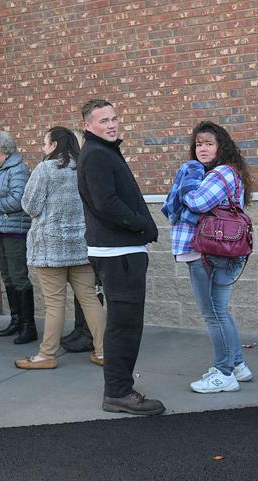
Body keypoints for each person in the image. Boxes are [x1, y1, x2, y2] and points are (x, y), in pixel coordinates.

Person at [77, 98, 165, 416]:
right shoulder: (97, 156)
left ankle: (119, 388)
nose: (112, 124)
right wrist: (143, 226)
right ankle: (118, 392)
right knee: (124, 326)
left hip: (121, 252)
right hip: (118, 254)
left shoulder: (104, 152)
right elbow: (107, 204)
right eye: (103, 120)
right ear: (87, 126)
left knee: (125, 323)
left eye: (114, 118)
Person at [163, 121, 254, 394]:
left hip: (207, 253)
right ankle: (238, 365)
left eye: (209, 143)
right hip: (220, 251)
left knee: (213, 314)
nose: (202, 149)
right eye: (198, 144)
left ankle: (224, 372)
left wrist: (186, 180)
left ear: (221, 146)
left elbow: (197, 202)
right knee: (220, 312)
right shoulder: (224, 172)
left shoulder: (218, 173)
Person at [16, 127, 106, 370]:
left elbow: (30, 206)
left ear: (54, 144)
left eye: (45, 143)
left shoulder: (45, 169)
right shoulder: (84, 168)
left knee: (55, 303)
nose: (42, 148)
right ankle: (104, 351)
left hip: (49, 247)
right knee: (89, 299)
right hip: (81, 245)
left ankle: (46, 355)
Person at [0, 131, 36, 344]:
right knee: (8, 277)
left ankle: (29, 327)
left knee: (18, 276)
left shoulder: (17, 169)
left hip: (14, 230)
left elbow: (18, 200)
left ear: (6, 150)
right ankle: (16, 320)